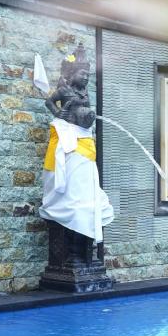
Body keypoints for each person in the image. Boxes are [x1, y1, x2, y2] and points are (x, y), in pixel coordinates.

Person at [40, 43, 114, 244]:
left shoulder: (85, 93)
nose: (86, 77)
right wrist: (59, 114)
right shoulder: (64, 90)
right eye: (83, 74)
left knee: (84, 175)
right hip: (69, 137)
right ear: (72, 74)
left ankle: (86, 201)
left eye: (88, 75)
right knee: (71, 172)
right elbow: (48, 102)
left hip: (83, 138)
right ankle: (68, 204)